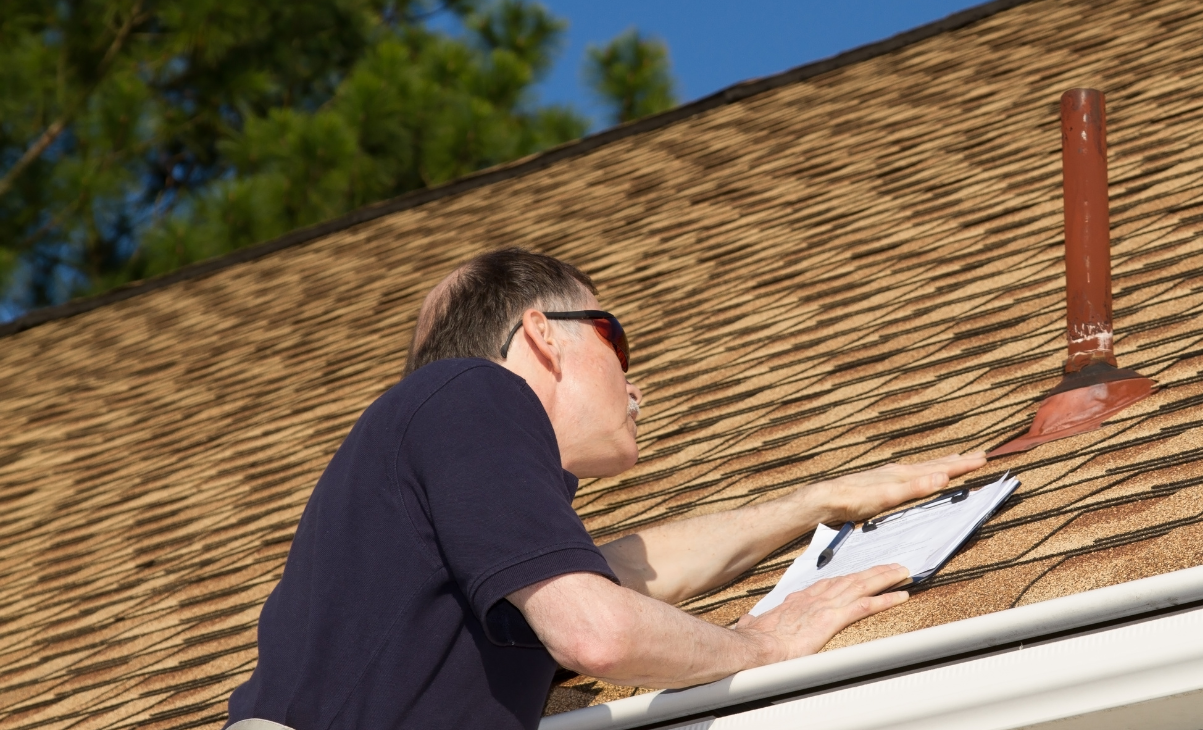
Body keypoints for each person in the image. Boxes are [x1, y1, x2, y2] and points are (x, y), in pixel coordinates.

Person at [225, 247, 986, 730]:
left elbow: (621, 574)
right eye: (614, 339)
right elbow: (599, 631)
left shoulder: (437, 501)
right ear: (541, 336)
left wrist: (815, 504)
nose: (635, 386)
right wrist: (764, 642)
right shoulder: (472, 390)